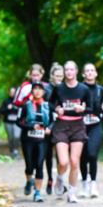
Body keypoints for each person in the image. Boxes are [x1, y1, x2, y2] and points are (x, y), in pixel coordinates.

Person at [51, 61, 89, 203]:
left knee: (74, 161)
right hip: (61, 125)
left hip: (78, 125)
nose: (69, 72)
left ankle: (72, 192)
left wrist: (83, 109)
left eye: (71, 69)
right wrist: (56, 109)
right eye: (66, 70)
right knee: (63, 161)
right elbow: (50, 103)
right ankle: (60, 178)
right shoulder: (59, 88)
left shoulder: (83, 89)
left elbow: (92, 107)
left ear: (76, 71)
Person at [21, 83, 53, 202]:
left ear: (44, 92)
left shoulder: (48, 105)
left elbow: (53, 120)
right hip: (28, 139)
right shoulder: (26, 105)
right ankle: (29, 181)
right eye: (35, 89)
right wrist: (30, 126)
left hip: (42, 140)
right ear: (32, 91)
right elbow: (19, 121)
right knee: (30, 166)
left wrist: (49, 128)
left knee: (39, 164)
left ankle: (38, 193)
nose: (38, 91)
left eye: (40, 89)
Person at [80, 62, 103, 198]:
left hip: (95, 124)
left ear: (96, 73)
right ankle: (84, 182)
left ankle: (93, 183)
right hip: (81, 125)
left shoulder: (101, 90)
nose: (90, 73)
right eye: (87, 71)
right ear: (83, 74)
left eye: (92, 70)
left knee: (92, 154)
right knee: (83, 156)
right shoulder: (78, 88)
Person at [43, 63, 65, 196]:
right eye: (57, 76)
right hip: (48, 125)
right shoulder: (46, 90)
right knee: (48, 155)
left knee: (60, 155)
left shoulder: (64, 88)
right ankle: (50, 179)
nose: (59, 78)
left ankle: (59, 180)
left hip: (61, 125)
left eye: (61, 76)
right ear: (52, 76)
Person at [0, 87, 20, 158]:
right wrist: (7, 108)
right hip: (8, 122)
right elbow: (1, 111)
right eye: (11, 92)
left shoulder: (19, 101)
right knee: (11, 137)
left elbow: (23, 111)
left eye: (14, 92)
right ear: (9, 93)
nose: (12, 93)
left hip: (17, 122)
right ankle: (12, 151)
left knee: (17, 136)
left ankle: (16, 150)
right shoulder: (6, 101)